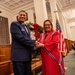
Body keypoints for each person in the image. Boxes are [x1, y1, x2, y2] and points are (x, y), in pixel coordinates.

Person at [10, 10, 37, 75]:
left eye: (24, 15)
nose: (22, 16)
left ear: (26, 17)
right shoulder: (14, 24)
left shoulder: (26, 27)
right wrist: (34, 43)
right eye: (21, 15)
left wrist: (35, 49)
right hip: (19, 57)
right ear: (18, 16)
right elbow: (20, 38)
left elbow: (28, 39)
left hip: (27, 56)